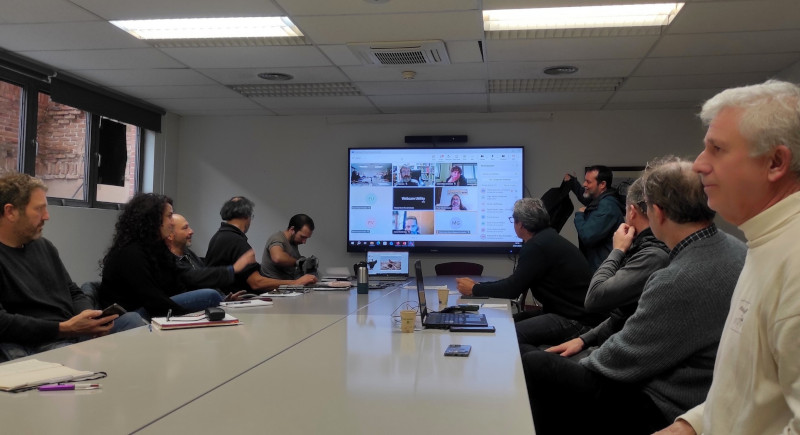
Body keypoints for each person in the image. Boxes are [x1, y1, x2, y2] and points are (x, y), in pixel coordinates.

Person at [523, 157, 746, 435]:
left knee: (535, 364)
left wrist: (575, 360)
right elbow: (630, 321)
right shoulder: (739, 250)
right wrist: (584, 340)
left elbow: (623, 358)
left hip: (665, 403)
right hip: (704, 391)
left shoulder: (674, 277)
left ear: (657, 213)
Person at [655, 81, 800, 435]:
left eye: (716, 149)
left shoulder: (794, 258)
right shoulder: (766, 240)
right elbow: (754, 390)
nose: (699, 164)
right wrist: (692, 425)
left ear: (775, 162)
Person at [0, 174, 143, 361]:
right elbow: (3, 323)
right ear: (10, 212)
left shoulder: (44, 246)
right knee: (87, 358)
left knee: (132, 322)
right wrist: (64, 329)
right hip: (37, 340)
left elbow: (73, 292)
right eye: (39, 209)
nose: (47, 216)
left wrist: (87, 317)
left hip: (71, 330)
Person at [535, 176, 669, 357]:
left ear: (632, 212)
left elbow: (595, 299)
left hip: (615, 355)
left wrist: (618, 249)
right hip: (607, 343)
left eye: (588, 181)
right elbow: (621, 316)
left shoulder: (651, 255)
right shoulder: (646, 247)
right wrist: (584, 340)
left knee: (531, 357)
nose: (584, 185)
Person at [456, 198, 604, 344]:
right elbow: (515, 281)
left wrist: (475, 289)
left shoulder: (537, 246)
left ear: (521, 224)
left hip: (575, 319)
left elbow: (512, 289)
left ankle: (531, 365)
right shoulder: (547, 238)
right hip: (571, 312)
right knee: (507, 321)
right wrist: (478, 287)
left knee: (509, 334)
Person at [100, 194, 223, 319]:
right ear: (154, 220)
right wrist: (187, 316)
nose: (172, 222)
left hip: (151, 307)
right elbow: (152, 299)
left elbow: (175, 285)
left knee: (211, 296)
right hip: (131, 314)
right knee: (210, 297)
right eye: (169, 216)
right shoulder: (131, 253)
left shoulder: (155, 247)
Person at [204, 196, 316, 294]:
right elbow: (256, 283)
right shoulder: (236, 241)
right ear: (246, 216)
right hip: (238, 301)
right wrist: (295, 283)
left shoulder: (219, 236)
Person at [166, 213, 256, 295]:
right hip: (186, 309)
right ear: (170, 235)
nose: (191, 231)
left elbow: (208, 280)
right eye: (185, 228)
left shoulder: (189, 254)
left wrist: (224, 298)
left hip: (210, 304)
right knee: (211, 294)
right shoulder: (167, 261)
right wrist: (233, 269)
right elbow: (194, 279)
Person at [564, 165, 625, 270]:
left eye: (588, 182)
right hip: (599, 266)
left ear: (602, 184)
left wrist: (580, 215)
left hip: (604, 270)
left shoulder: (607, 206)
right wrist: (572, 182)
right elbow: (586, 198)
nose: (584, 184)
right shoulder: (601, 200)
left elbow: (588, 236)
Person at [261, 214, 315, 280]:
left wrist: (307, 263)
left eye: (306, 238)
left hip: (287, 285)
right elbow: (277, 258)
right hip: (274, 287)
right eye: (302, 237)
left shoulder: (293, 242)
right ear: (292, 229)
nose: (304, 242)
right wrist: (299, 262)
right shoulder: (277, 238)